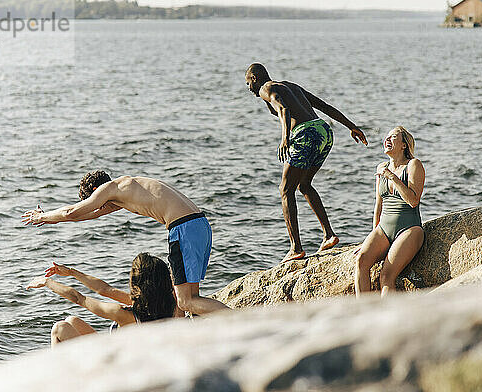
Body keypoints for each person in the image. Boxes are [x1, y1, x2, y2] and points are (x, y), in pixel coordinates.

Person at [22, 171, 229, 314]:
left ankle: (244, 322)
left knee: (185, 302)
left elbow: (72, 211)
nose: (101, 205)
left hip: (183, 229)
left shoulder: (110, 189)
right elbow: (82, 215)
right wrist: (48, 215)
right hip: (199, 224)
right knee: (192, 297)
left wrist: (40, 218)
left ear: (96, 190)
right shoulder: (126, 190)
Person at [245, 63, 368, 262]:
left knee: (285, 190)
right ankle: (329, 235)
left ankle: (296, 248)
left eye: (248, 83)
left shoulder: (265, 88)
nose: (249, 89)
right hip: (323, 131)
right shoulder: (290, 86)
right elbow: (325, 107)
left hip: (305, 133)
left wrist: (285, 137)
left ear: (254, 79)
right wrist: (351, 126)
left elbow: (283, 109)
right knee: (304, 185)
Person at [26, 253, 180, 347]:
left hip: (118, 372)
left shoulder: (123, 314)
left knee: (60, 328)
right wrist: (72, 273)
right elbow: (105, 290)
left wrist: (47, 282)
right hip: (136, 362)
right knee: (72, 321)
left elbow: (79, 298)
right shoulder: (172, 305)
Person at [354, 127, 425, 298]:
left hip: (409, 230)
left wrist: (392, 176)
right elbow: (378, 204)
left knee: (386, 276)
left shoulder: (413, 165)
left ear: (403, 145)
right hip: (384, 229)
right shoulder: (382, 166)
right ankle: (362, 313)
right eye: (386, 137)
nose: (387, 140)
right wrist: (372, 237)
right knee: (361, 261)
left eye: (393, 137)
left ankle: (386, 319)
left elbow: (413, 201)